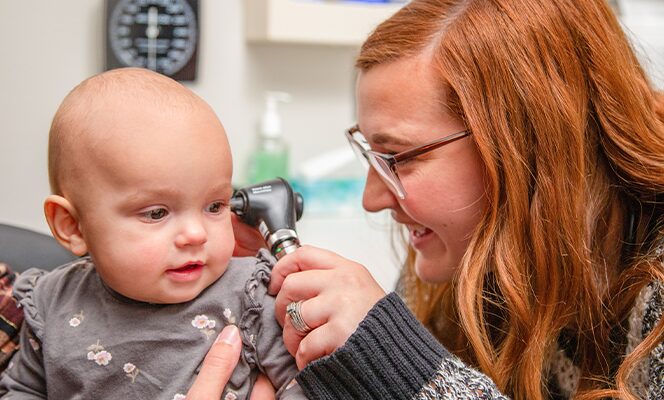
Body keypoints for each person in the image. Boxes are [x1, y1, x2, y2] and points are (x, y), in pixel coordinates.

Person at [254, 0, 664, 399]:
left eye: (398, 158)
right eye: (373, 157)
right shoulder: (471, 259)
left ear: (528, 150)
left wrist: (400, 360)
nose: (372, 199)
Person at [0, 68, 304, 399]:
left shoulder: (252, 296)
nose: (195, 234)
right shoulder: (50, 303)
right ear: (72, 226)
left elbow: (304, 382)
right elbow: (21, 390)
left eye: (215, 205)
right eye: (157, 213)